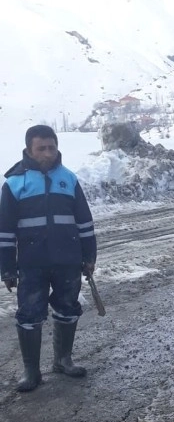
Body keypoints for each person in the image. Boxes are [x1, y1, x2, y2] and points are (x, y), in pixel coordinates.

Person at [0, 124, 97, 392]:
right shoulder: (14, 183)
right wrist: (7, 267)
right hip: (31, 264)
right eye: (41, 148)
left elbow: (85, 223)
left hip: (68, 261)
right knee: (29, 314)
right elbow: (5, 231)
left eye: (51, 147)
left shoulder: (69, 179)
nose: (47, 153)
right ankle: (31, 372)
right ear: (29, 150)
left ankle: (63, 361)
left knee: (67, 308)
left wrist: (89, 256)